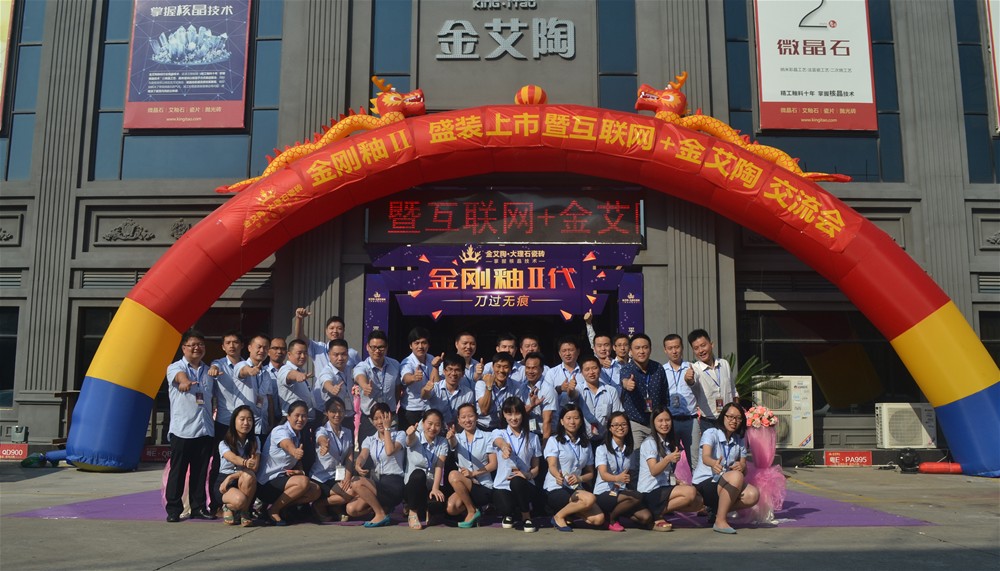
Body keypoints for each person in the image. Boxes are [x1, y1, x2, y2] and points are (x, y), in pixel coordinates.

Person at [164, 330, 217, 522]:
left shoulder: (209, 371)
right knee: (178, 472)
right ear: (184, 348)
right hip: (183, 430)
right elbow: (179, 377)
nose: (197, 348)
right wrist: (185, 381)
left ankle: (198, 507)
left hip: (204, 429)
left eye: (200, 345)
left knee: (200, 472)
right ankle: (173, 509)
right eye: (192, 345)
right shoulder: (175, 367)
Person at [691, 402, 759, 534]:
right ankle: (720, 521)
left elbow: (744, 468)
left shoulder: (739, 439)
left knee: (753, 495)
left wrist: (742, 466)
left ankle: (716, 511)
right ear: (723, 416)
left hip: (726, 484)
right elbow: (705, 457)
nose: (734, 421)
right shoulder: (711, 433)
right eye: (730, 417)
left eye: (738, 418)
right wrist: (713, 463)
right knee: (736, 476)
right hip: (706, 482)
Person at [256, 400, 322, 525]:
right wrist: (294, 451)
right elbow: (286, 444)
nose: (300, 419)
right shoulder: (280, 430)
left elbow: (297, 462)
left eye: (304, 416)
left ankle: (282, 507)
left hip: (285, 480)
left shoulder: (298, 434)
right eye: (297, 415)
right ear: (288, 416)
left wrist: (300, 471)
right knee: (303, 482)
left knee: (315, 490)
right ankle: (273, 511)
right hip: (268, 483)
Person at [637, 406, 703, 531]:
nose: (664, 424)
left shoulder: (667, 442)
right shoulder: (650, 442)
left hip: (663, 488)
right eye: (660, 421)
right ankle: (656, 514)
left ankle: (657, 512)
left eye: (667, 420)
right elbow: (654, 471)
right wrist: (668, 458)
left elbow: (666, 473)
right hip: (650, 491)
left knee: (698, 501)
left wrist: (677, 481)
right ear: (653, 423)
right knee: (690, 492)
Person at [543, 404, 604, 532]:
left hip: (576, 489)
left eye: (576, 418)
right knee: (590, 498)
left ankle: (568, 514)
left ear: (581, 421)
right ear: (561, 421)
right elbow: (552, 465)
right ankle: (558, 517)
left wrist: (579, 478)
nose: (572, 422)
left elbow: (590, 473)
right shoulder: (554, 440)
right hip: (557, 488)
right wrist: (557, 476)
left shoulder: (586, 444)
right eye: (568, 418)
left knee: (598, 519)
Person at [206, 330, 248, 515]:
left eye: (235, 342)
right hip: (224, 422)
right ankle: (215, 504)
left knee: (246, 463)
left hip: (245, 423)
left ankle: (244, 504)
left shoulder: (248, 365)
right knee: (219, 464)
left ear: (242, 345)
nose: (232, 345)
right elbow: (213, 368)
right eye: (228, 343)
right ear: (223, 347)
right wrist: (213, 371)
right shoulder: (218, 364)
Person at [593, 412, 652, 532]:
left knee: (646, 517)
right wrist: (617, 478)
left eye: (624, 424)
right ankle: (612, 518)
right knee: (636, 496)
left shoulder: (629, 450)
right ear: (610, 428)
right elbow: (603, 475)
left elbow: (630, 473)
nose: (620, 427)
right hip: (604, 492)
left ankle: (617, 512)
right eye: (616, 425)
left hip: (621, 492)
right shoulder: (602, 449)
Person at [491, 396, 542, 533]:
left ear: (523, 414)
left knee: (517, 481)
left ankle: (526, 516)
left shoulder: (533, 437)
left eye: (517, 413)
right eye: (509, 414)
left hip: (525, 484)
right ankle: (510, 513)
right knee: (505, 507)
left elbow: (536, 467)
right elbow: (498, 441)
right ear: (504, 414)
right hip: (502, 485)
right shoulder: (499, 433)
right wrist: (504, 447)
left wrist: (527, 475)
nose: (513, 418)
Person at [620, 333, 670, 471]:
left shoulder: (658, 368)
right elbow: (624, 380)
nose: (641, 351)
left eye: (645, 347)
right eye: (637, 348)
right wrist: (627, 384)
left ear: (650, 349)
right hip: (636, 422)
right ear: (631, 351)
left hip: (656, 423)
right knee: (636, 461)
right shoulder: (627, 369)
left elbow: (665, 394)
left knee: (659, 458)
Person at [352, 402, 406, 527]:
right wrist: (358, 464)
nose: (380, 422)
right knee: (352, 509)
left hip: (394, 483)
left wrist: (387, 429)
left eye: (383, 417)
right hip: (377, 482)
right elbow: (363, 455)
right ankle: (384, 508)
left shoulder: (400, 435)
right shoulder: (370, 439)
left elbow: (389, 451)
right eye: (376, 419)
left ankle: (380, 514)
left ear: (390, 417)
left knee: (357, 483)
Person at [446, 403, 497, 527]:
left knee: (453, 475)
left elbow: (493, 464)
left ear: (476, 417)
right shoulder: (457, 438)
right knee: (451, 508)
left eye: (470, 416)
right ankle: (476, 509)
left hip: (483, 486)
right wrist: (451, 437)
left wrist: (473, 473)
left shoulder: (487, 436)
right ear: (458, 420)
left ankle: (471, 511)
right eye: (463, 417)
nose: (467, 420)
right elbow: (453, 444)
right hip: (464, 486)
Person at [310, 397, 356, 522]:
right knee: (349, 494)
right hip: (322, 477)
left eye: (340, 411)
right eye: (333, 411)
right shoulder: (322, 430)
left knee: (355, 489)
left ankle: (331, 507)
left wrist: (348, 477)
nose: (337, 415)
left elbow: (349, 457)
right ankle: (319, 505)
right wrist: (324, 445)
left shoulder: (347, 432)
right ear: (326, 412)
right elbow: (321, 439)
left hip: (338, 476)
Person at [403, 409, 450, 529]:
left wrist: (435, 488)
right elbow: (409, 441)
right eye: (430, 423)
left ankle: (426, 510)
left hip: (430, 486)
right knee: (419, 474)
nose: (433, 428)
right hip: (412, 486)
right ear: (423, 423)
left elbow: (439, 466)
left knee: (439, 502)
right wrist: (410, 434)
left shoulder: (443, 442)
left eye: (437, 424)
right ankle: (412, 512)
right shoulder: (416, 437)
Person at [685, 329, 738, 434]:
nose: (701, 350)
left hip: (729, 421)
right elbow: (691, 382)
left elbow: (733, 391)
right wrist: (688, 378)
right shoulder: (695, 369)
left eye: (703, 345)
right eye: (696, 348)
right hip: (709, 422)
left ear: (711, 344)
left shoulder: (724, 364)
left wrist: (737, 414)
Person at [353, 330, 402, 441]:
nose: (377, 351)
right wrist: (364, 386)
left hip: (390, 418)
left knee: (391, 450)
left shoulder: (395, 365)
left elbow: (398, 389)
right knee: (367, 451)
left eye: (381, 347)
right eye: (373, 347)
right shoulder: (362, 366)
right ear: (367, 347)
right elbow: (359, 376)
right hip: (370, 420)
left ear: (387, 347)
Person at [217, 405, 260, 526]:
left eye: (249, 419)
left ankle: (243, 513)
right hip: (224, 482)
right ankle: (227, 507)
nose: (246, 423)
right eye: (242, 419)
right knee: (239, 500)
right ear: (234, 421)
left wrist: (232, 476)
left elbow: (255, 467)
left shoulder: (255, 441)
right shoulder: (224, 443)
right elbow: (233, 458)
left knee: (249, 475)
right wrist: (245, 463)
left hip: (242, 480)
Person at [663, 333, 699, 469]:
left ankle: (698, 482)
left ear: (682, 348)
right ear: (665, 350)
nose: (674, 351)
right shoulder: (662, 371)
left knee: (695, 460)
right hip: (670, 421)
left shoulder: (692, 368)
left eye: (677, 347)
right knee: (669, 460)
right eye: (670, 348)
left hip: (691, 420)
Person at [293, 308, 360, 375]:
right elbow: (300, 337)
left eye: (339, 328)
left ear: (343, 331)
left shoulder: (352, 353)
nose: (335, 331)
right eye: (331, 328)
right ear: (326, 331)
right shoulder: (318, 348)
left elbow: (361, 372)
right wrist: (299, 319)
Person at [575, 355, 623, 446]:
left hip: (605, 439)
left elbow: (617, 415)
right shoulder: (578, 389)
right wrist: (570, 390)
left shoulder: (611, 391)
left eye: (594, 368)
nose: (591, 372)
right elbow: (572, 395)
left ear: (600, 370)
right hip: (583, 440)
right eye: (587, 369)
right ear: (581, 372)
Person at [400, 327, 442, 430]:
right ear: (411, 346)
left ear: (428, 345)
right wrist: (413, 377)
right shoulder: (407, 362)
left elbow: (438, 383)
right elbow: (405, 378)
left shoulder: (432, 358)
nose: (420, 346)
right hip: (412, 409)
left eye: (424, 343)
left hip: (430, 407)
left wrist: (436, 367)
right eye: (417, 343)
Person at [421, 353, 476, 427]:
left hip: (455, 429)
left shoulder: (468, 393)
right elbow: (424, 396)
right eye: (450, 369)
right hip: (432, 428)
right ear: (444, 371)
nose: (453, 373)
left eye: (457, 370)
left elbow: (466, 417)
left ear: (463, 373)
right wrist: (425, 390)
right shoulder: (436, 387)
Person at [315, 339, 356, 433]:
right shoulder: (327, 371)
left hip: (348, 416)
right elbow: (326, 381)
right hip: (332, 418)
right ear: (329, 355)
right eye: (336, 355)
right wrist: (332, 388)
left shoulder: (348, 368)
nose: (340, 358)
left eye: (343, 354)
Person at [475, 352, 521, 430]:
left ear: (511, 369)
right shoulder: (481, 384)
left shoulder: (516, 386)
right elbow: (484, 411)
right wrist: (489, 387)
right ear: (493, 367)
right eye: (498, 366)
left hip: (504, 427)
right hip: (482, 426)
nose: (501, 370)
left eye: (506, 367)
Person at [520, 352, 558, 444]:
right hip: (529, 434)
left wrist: (545, 445)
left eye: (534, 368)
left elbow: (547, 420)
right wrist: (531, 406)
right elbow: (519, 413)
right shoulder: (522, 387)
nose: (530, 371)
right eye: (528, 368)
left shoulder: (548, 390)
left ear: (542, 369)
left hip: (547, 436)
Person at [277, 339, 317, 423]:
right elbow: (289, 375)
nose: (303, 356)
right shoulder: (284, 369)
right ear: (289, 354)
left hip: (306, 420)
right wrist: (297, 375)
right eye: (299, 353)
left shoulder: (302, 371)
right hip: (292, 421)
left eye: (305, 353)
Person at [542, 336, 582, 403]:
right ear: (559, 353)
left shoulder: (585, 372)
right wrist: (560, 389)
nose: (567, 354)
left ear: (578, 352)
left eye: (571, 350)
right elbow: (545, 395)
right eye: (564, 351)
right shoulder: (551, 373)